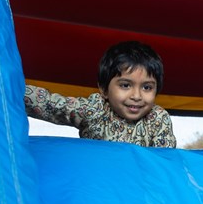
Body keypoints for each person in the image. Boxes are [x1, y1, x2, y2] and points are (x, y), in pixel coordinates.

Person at [25, 40, 176, 148]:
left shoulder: (157, 118)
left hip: (137, 183)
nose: (136, 96)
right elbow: (51, 104)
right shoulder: (95, 109)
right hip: (95, 181)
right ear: (104, 89)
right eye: (125, 85)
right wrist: (16, 90)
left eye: (147, 87)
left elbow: (165, 163)